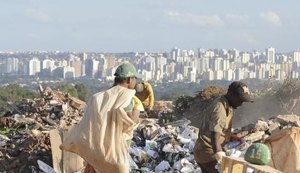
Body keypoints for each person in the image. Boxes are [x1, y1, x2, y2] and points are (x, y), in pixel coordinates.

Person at [60, 62, 142, 173]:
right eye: (135, 79)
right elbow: (131, 121)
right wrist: (138, 107)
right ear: (129, 80)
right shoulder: (125, 96)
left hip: (96, 153)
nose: (136, 82)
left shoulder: (98, 97)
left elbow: (88, 125)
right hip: (115, 154)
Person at [193, 81, 253, 173]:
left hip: (205, 151)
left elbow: (220, 129)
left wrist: (232, 137)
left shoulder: (227, 106)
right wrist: (219, 154)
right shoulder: (220, 109)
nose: (241, 103)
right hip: (208, 153)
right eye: (240, 100)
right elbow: (214, 134)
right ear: (231, 95)